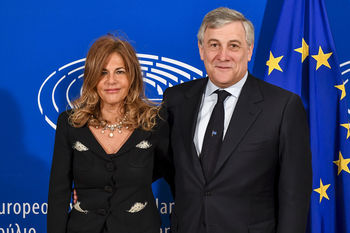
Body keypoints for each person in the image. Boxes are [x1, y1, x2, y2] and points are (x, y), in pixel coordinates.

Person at [163, 7, 312, 233]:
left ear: (249, 51)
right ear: (201, 49)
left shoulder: (283, 107)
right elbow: (167, 168)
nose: (223, 55)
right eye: (214, 45)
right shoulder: (176, 100)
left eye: (234, 45)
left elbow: (294, 196)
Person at [47, 34, 170, 233]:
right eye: (103, 72)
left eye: (119, 71)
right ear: (92, 78)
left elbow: (173, 173)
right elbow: (58, 193)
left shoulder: (153, 122)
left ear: (132, 76)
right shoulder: (70, 123)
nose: (111, 81)